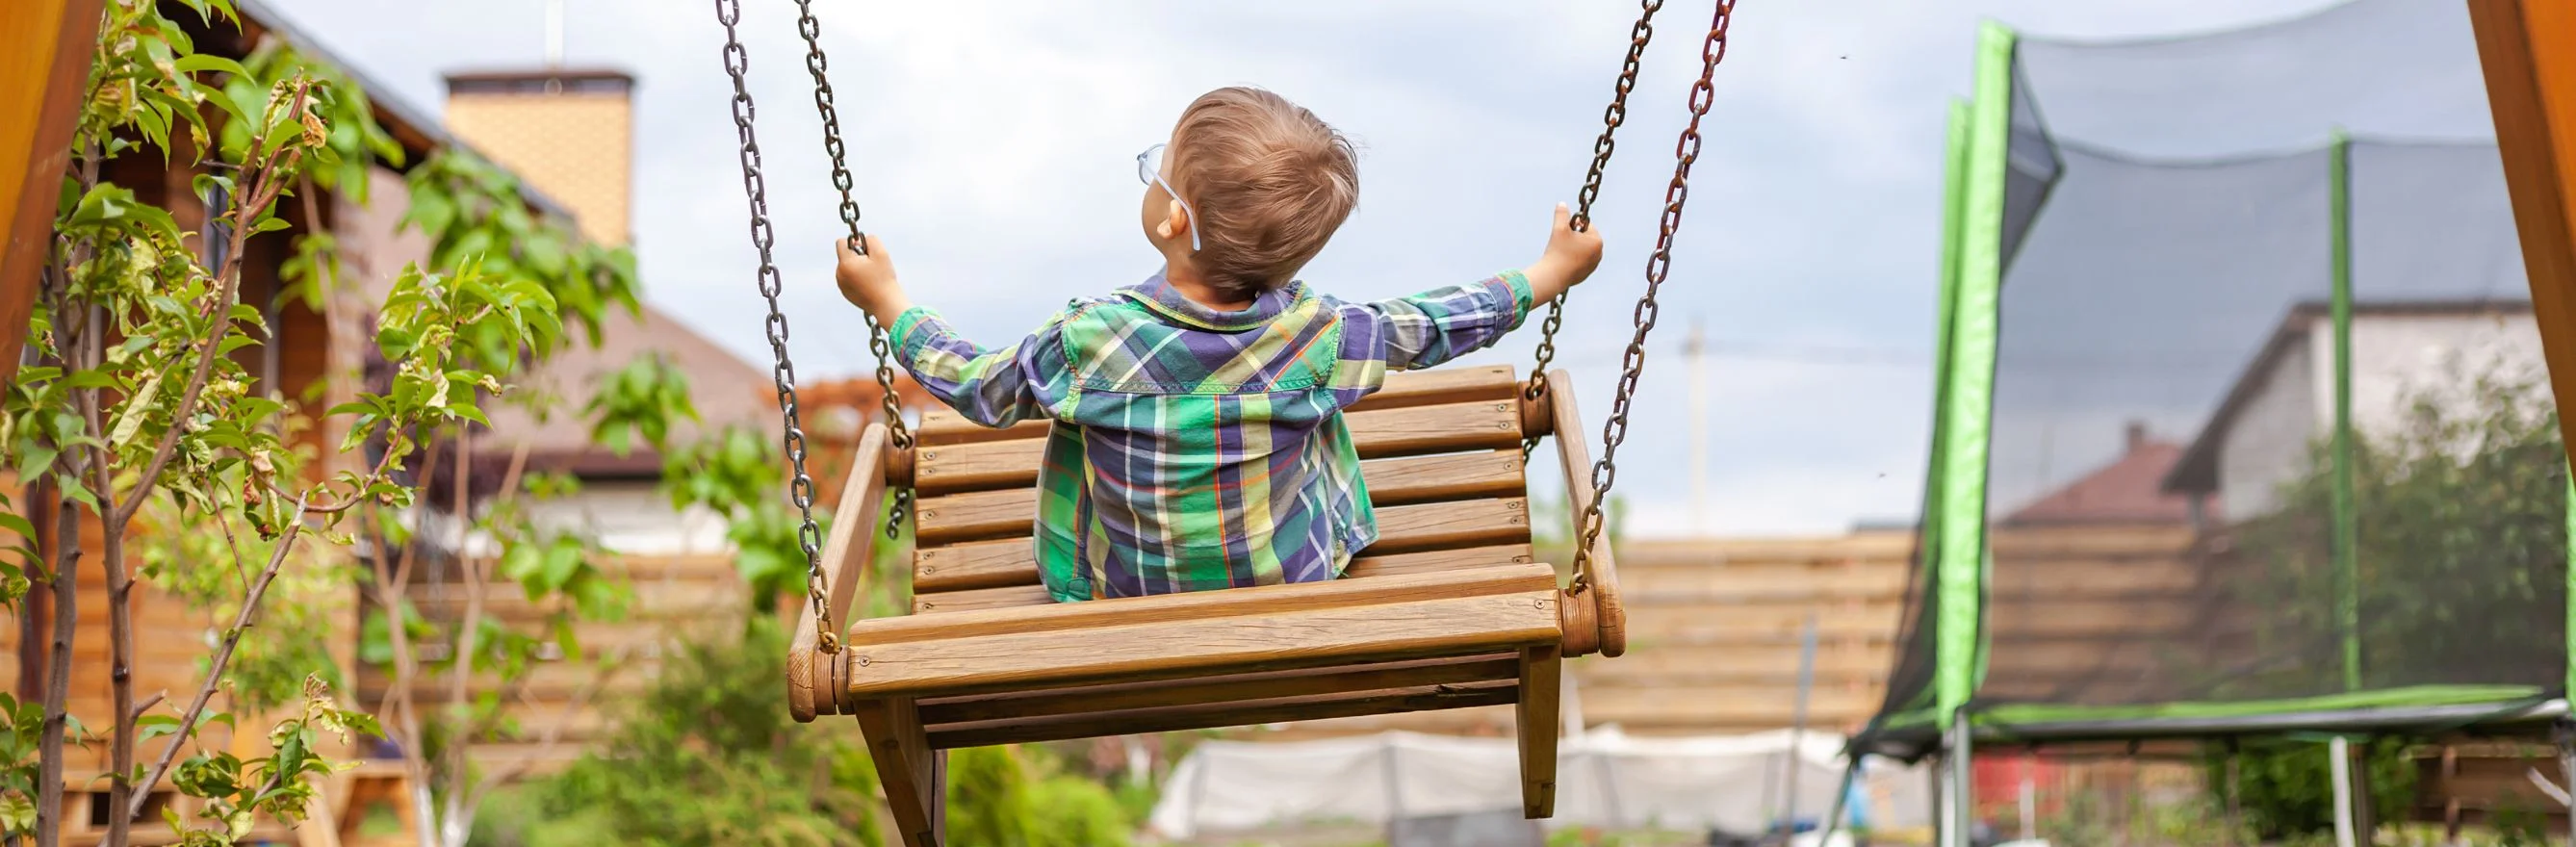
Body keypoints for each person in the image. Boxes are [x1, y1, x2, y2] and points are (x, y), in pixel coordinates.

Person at [832, 86, 1604, 603]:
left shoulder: (1089, 343)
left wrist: (888, 300)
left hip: (1124, 594)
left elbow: (977, 386)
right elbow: (1432, 324)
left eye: (1156, 171)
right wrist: (1548, 272)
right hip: (1287, 581)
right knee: (1323, 412)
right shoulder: (1319, 339)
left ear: (1174, 219)